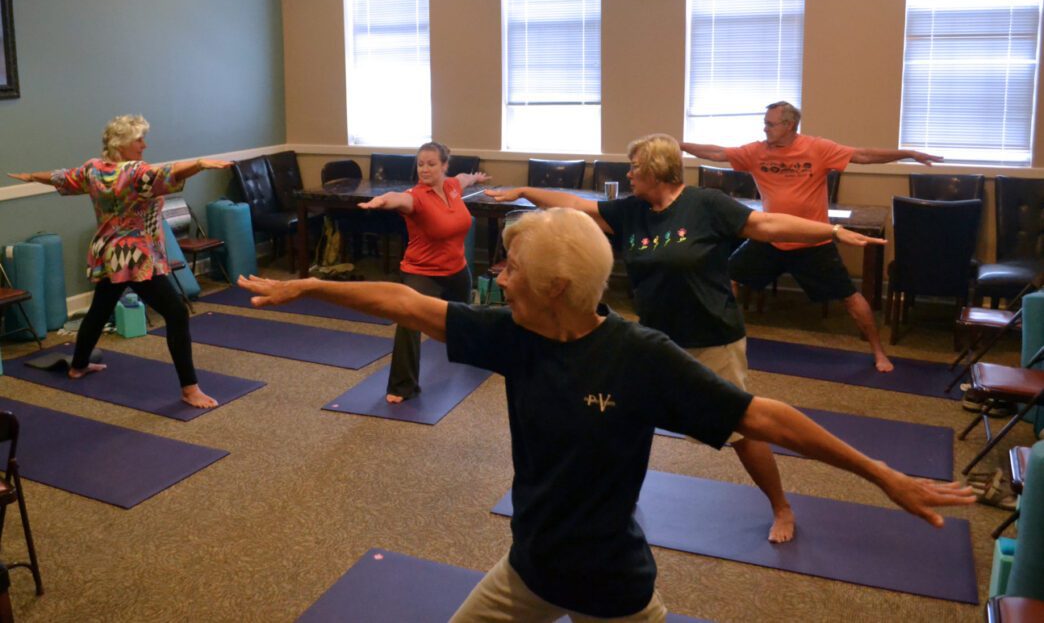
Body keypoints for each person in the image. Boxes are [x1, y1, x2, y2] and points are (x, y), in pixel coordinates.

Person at [237, 208, 973, 622]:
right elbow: (406, 302)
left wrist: (882, 475)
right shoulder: (514, 333)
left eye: (511, 267)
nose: (499, 276)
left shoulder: (639, 356)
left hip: (614, 588)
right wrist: (308, 285)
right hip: (526, 569)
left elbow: (765, 416)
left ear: (555, 286)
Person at [485, 134, 886, 544]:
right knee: (623, 419)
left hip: (713, 337)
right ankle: (616, 498)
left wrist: (832, 231)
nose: (629, 173)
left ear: (657, 168)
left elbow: (765, 225)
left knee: (741, 432)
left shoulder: (705, 204)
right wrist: (521, 191)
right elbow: (574, 206)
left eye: (635, 166)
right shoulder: (631, 212)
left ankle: (781, 506)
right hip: (652, 342)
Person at [680, 101, 943, 374]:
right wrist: (681, 146)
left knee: (850, 297)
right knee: (727, 277)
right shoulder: (756, 152)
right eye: (765, 123)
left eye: (770, 123)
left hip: (812, 242)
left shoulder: (817, 148)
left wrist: (908, 153)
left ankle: (878, 351)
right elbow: (718, 152)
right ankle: (724, 337)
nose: (765, 128)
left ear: (789, 125)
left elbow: (863, 155)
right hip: (771, 238)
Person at [8, 114, 231, 408]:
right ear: (121, 143)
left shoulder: (94, 170)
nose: (144, 145)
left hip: (107, 252)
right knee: (176, 312)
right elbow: (168, 173)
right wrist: (200, 164)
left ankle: (78, 366)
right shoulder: (136, 173)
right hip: (134, 257)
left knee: (100, 309)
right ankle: (190, 389)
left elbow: (63, 177)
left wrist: (32, 176)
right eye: (139, 140)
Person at [358, 142, 490, 403]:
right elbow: (399, 198)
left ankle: (476, 356)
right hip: (422, 272)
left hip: (456, 269)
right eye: (420, 164)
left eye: (431, 164)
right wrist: (382, 201)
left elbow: (463, 178)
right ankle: (401, 386)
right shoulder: (416, 197)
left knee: (466, 316)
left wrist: (476, 177)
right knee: (409, 322)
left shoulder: (452, 186)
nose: (425, 169)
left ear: (444, 166)